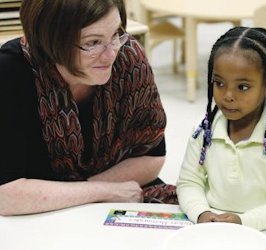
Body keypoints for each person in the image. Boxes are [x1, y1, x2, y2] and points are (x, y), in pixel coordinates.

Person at [0, 0, 177, 216]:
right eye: (93, 42)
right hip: (39, 219)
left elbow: (152, 158)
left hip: (116, 201)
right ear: (51, 41)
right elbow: (6, 197)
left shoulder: (128, 59)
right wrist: (100, 191)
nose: (111, 54)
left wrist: (84, 192)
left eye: (115, 34)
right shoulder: (10, 73)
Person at [176, 26, 266, 231]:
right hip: (210, 229)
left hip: (265, 231)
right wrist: (201, 213)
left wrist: (243, 222)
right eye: (219, 83)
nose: (228, 95)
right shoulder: (204, 133)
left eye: (242, 87)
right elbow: (189, 182)